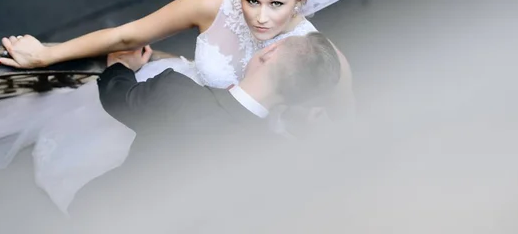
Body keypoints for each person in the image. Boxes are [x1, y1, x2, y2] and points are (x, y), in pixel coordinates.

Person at [0, 0, 353, 212]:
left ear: (299, 1)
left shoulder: (319, 56)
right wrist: (47, 54)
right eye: (250, 0)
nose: (260, 16)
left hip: (236, 144)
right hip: (176, 101)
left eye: (276, 4)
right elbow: (127, 34)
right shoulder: (214, 5)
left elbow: (346, 125)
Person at [71, 32, 341, 224]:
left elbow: (118, 97)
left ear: (269, 53)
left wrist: (120, 66)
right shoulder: (276, 162)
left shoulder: (177, 92)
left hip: (103, 218)